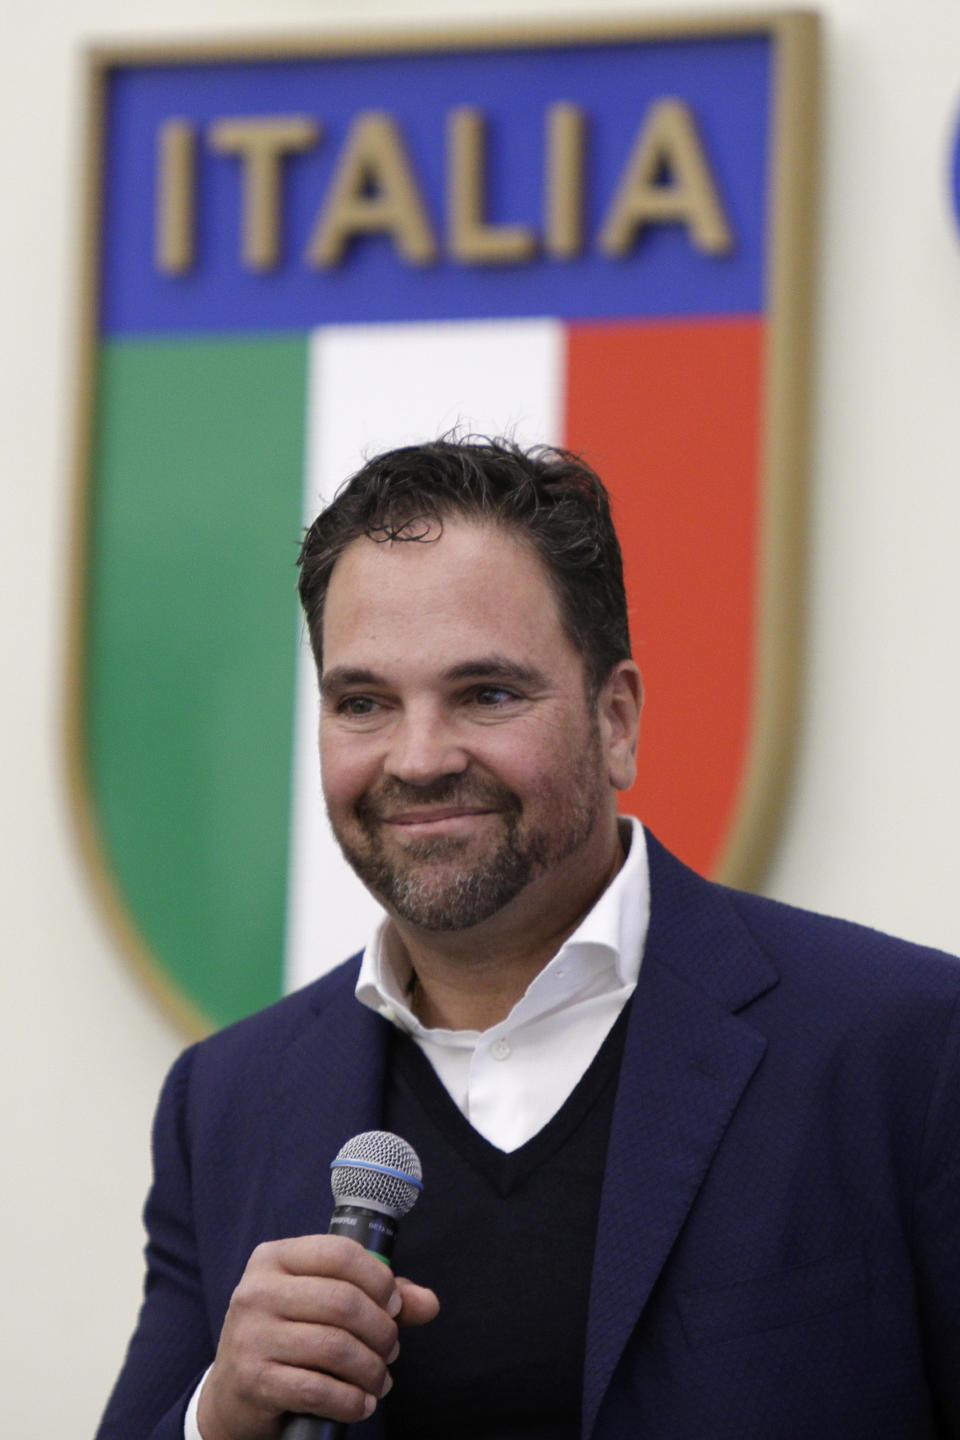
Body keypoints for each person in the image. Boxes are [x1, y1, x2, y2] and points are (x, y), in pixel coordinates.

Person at [98, 438, 960, 1440]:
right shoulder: (224, 1103)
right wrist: (221, 1413)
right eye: (365, 703)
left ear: (617, 721)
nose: (418, 759)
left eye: (488, 695)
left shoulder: (907, 1048)